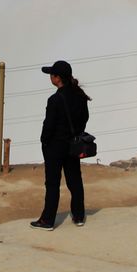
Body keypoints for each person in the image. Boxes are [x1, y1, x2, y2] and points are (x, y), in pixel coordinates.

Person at [32, 59, 90, 230]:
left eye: (52, 74)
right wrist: (75, 134)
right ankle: (79, 216)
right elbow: (84, 118)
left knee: (52, 184)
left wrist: (44, 141)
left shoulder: (55, 99)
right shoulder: (80, 96)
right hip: (73, 145)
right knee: (74, 181)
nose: (50, 76)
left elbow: (48, 126)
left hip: (55, 147)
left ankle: (47, 220)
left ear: (58, 78)